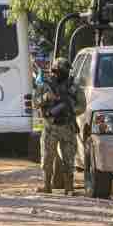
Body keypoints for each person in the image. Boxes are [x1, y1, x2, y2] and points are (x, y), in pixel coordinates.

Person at [34, 58, 84, 196]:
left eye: (65, 71)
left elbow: (82, 105)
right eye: (60, 71)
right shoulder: (45, 86)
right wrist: (46, 97)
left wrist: (71, 110)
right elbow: (35, 103)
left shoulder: (73, 86)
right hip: (50, 127)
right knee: (47, 158)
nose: (62, 74)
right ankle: (46, 185)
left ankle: (69, 188)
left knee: (69, 159)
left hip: (67, 127)